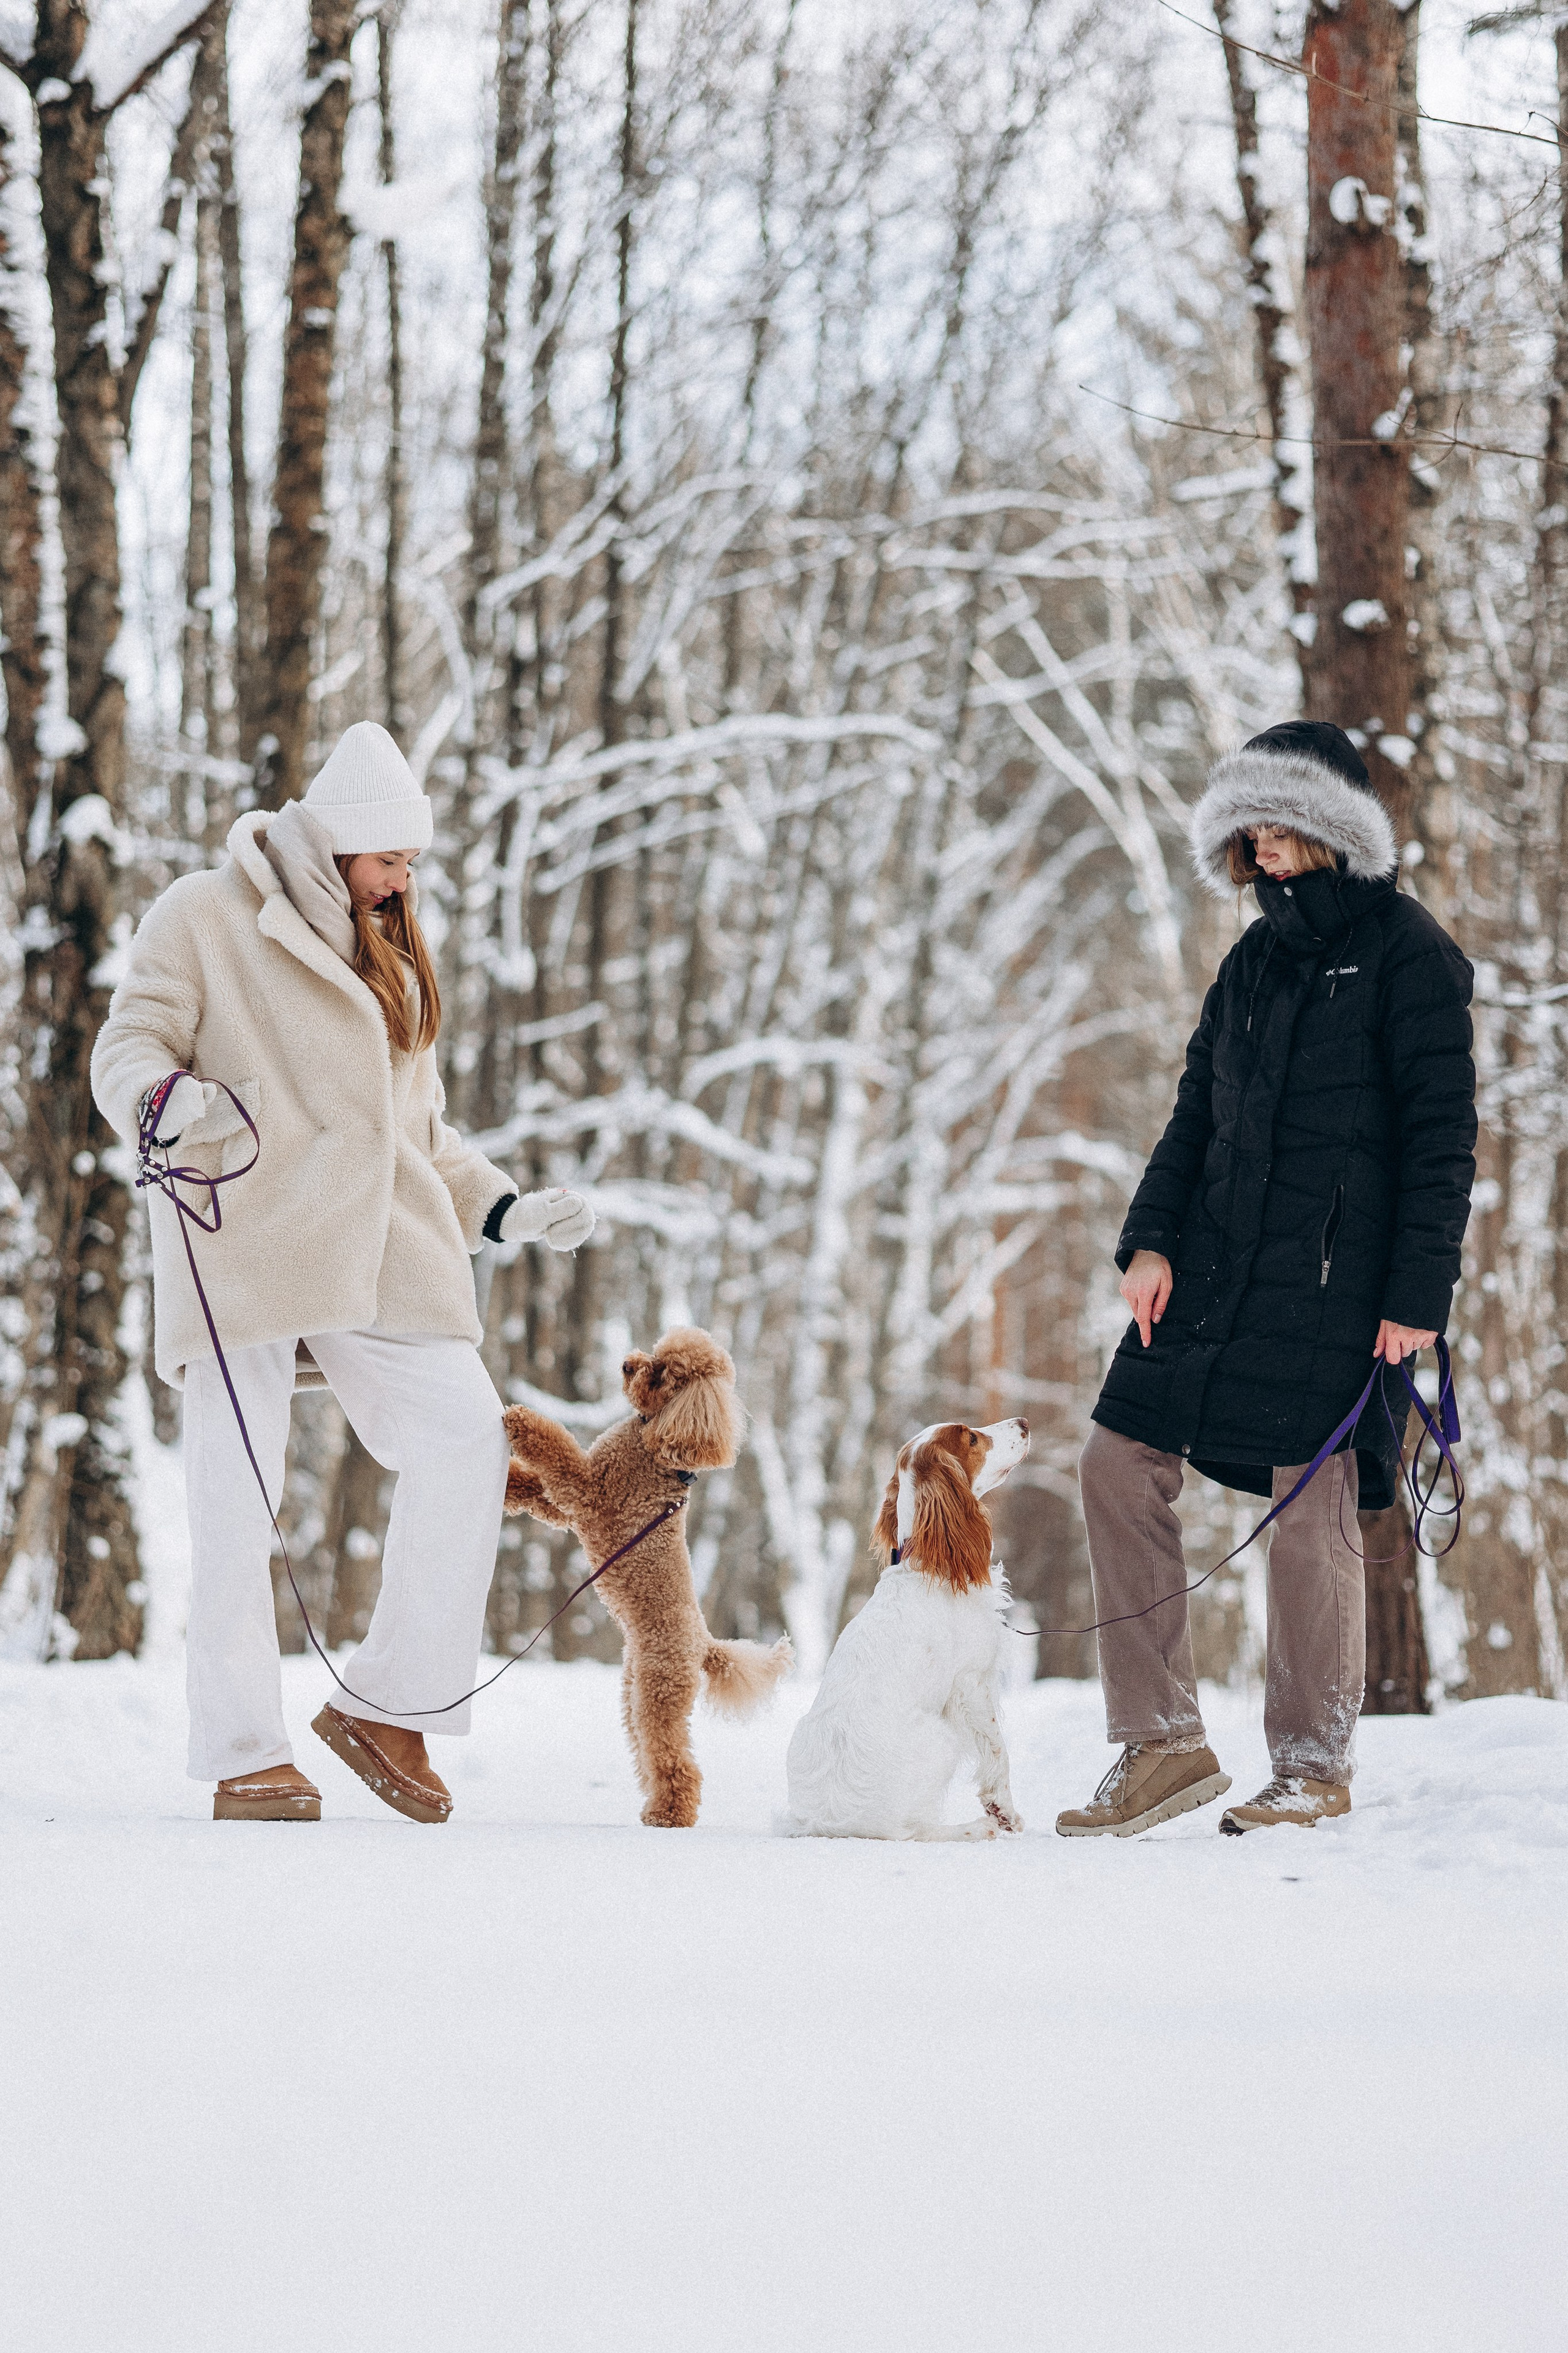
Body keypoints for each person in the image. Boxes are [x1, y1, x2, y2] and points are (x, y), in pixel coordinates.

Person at [92, 723, 594, 1824]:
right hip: (242, 1240)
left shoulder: (395, 948)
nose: (405, 878)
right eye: (392, 859)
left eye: (413, 861)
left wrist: (503, 1206)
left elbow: (425, 1133)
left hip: (381, 1251)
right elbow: (129, 1041)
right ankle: (242, 1753)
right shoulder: (204, 914)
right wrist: (165, 1102)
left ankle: (389, 1707)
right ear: (336, 845)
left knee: (467, 1435)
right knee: (237, 1499)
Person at [1055, 721, 1476, 1838]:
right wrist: (1150, 1243)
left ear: (1337, 830)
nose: (1268, 844)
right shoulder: (1248, 963)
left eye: (1288, 823)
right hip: (1213, 1277)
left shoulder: (1409, 955)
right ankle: (1161, 1743)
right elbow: (1194, 1117)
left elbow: (1443, 1141)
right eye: (1254, 824)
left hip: (1343, 1288)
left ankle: (1310, 1764)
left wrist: (1415, 1297)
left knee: (1310, 1510)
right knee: (1114, 1459)